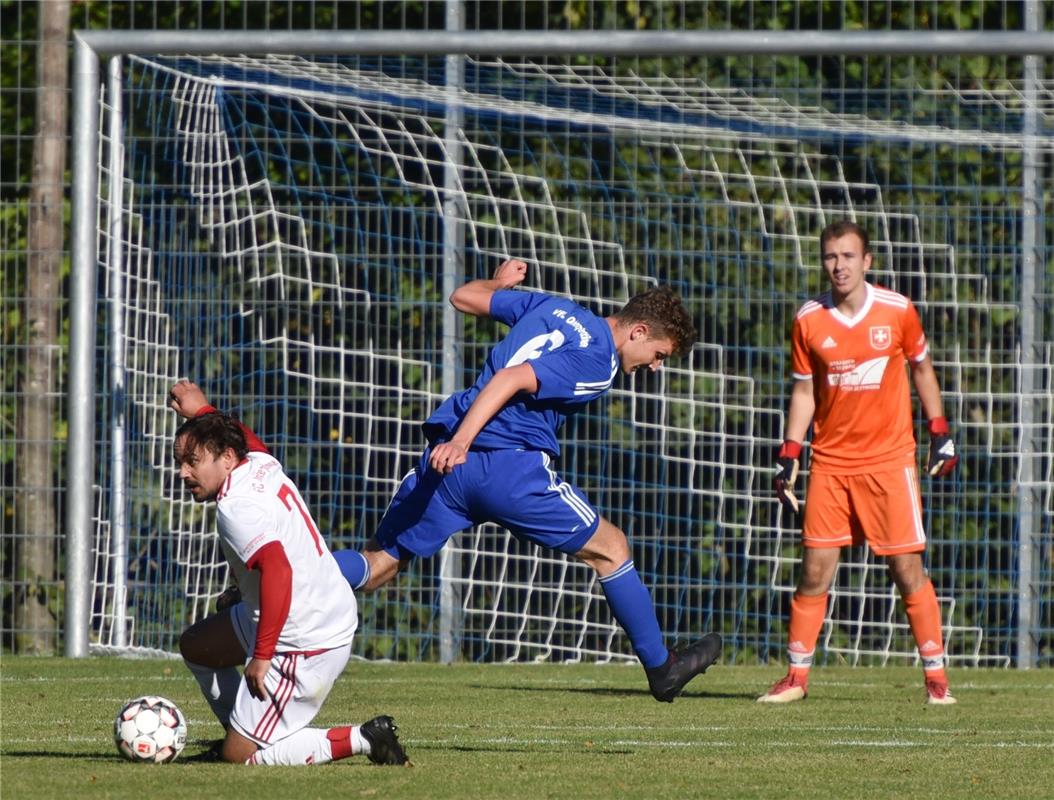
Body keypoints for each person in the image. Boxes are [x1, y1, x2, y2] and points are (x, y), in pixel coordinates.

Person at [334, 258, 722, 702]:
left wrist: (497, 284)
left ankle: (284, 579)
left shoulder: (553, 307)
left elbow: (464, 297)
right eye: (659, 356)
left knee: (380, 564)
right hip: (506, 467)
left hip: (450, 467)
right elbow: (514, 377)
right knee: (612, 550)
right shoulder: (599, 361)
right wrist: (463, 440)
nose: (655, 368)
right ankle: (662, 668)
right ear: (637, 332)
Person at [761, 220, 960, 706]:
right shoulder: (809, 319)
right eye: (831, 256)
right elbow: (805, 390)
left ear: (867, 261)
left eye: (848, 256)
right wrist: (790, 453)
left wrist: (940, 433)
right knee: (814, 570)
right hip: (830, 462)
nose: (839, 266)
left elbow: (922, 369)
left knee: (906, 569)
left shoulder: (897, 311)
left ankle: (937, 681)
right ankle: (796, 679)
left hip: (890, 461)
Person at [169, 380, 409, 765]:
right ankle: (245, 731)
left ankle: (364, 738)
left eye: (192, 462)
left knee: (239, 761)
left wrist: (262, 656)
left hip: (303, 637)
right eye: (180, 462)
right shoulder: (259, 464)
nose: (183, 473)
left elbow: (278, 570)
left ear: (227, 458)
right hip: (305, 610)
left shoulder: (235, 507)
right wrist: (203, 411)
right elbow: (244, 439)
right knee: (197, 646)